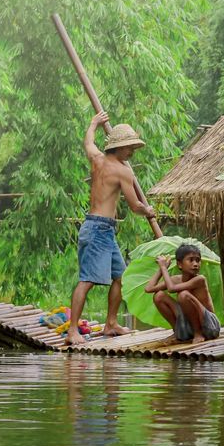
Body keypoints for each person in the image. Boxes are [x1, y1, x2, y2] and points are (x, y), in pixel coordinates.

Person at [66, 111, 156, 345]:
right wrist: (148, 211)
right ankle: (72, 331)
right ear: (119, 147)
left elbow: (88, 142)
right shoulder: (123, 171)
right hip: (97, 230)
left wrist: (93, 123)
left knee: (120, 277)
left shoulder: (97, 158)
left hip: (102, 229)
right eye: (129, 148)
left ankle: (111, 324)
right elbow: (135, 205)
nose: (132, 152)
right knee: (87, 280)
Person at [144, 244, 220, 342]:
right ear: (179, 264)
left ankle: (198, 333)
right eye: (191, 260)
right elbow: (149, 289)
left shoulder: (200, 279)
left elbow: (171, 288)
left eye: (197, 260)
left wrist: (163, 268)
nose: (195, 264)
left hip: (209, 326)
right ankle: (177, 332)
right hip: (189, 326)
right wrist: (161, 269)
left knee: (183, 295)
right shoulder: (176, 279)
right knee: (158, 296)